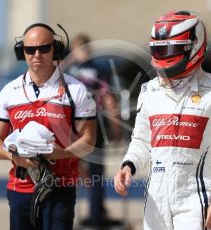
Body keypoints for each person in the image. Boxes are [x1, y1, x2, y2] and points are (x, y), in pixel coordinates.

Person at [114, 10, 211, 230]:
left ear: (193, 45)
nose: (164, 55)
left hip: (196, 197)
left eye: (170, 49)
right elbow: (141, 141)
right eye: (159, 49)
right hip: (155, 198)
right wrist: (128, 166)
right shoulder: (149, 90)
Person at [0, 23, 97, 230]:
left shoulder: (76, 90)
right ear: (22, 52)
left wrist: (61, 153)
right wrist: (15, 157)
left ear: (55, 49)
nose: (37, 54)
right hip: (20, 188)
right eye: (30, 49)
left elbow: (89, 141)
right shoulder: (9, 92)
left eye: (44, 48)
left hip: (60, 188)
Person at [64, 34, 121, 228]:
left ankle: (67, 215)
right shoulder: (98, 69)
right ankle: (96, 215)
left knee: (69, 171)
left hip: (68, 126)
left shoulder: (66, 70)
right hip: (91, 125)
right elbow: (109, 100)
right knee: (96, 172)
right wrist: (116, 128)